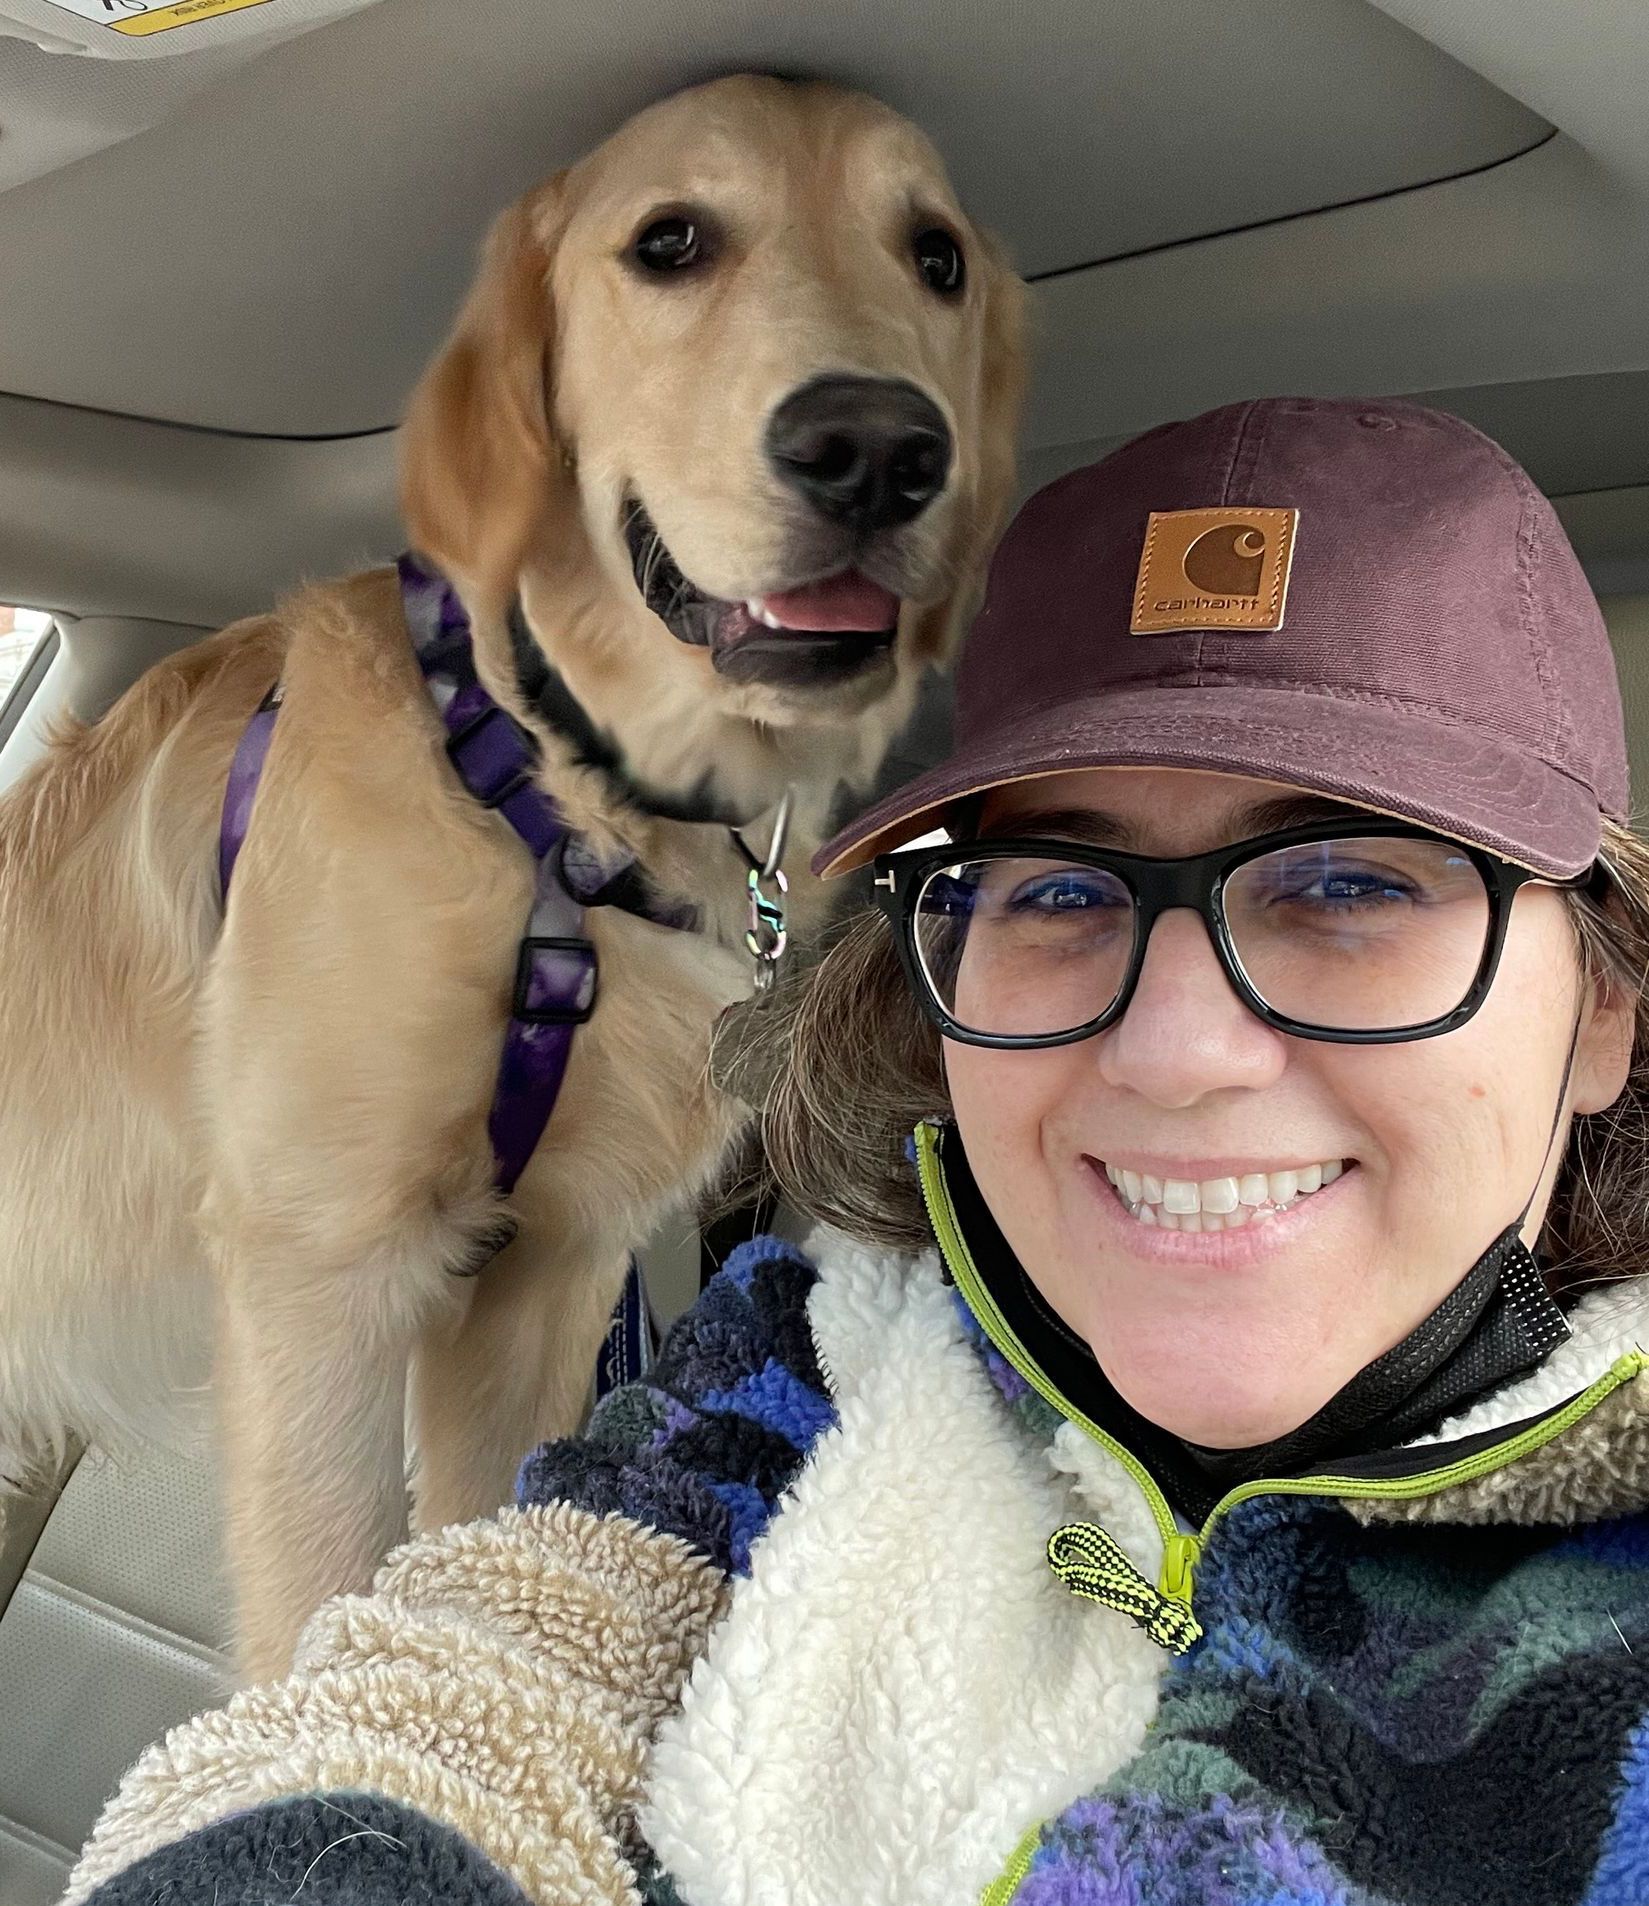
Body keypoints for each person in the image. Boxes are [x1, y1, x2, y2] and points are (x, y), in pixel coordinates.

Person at [64, 398, 1649, 1906]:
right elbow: (478, 1678)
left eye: (1350, 886)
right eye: (1056, 888)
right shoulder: (813, 1353)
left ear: (1598, 1008)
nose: (1173, 1054)